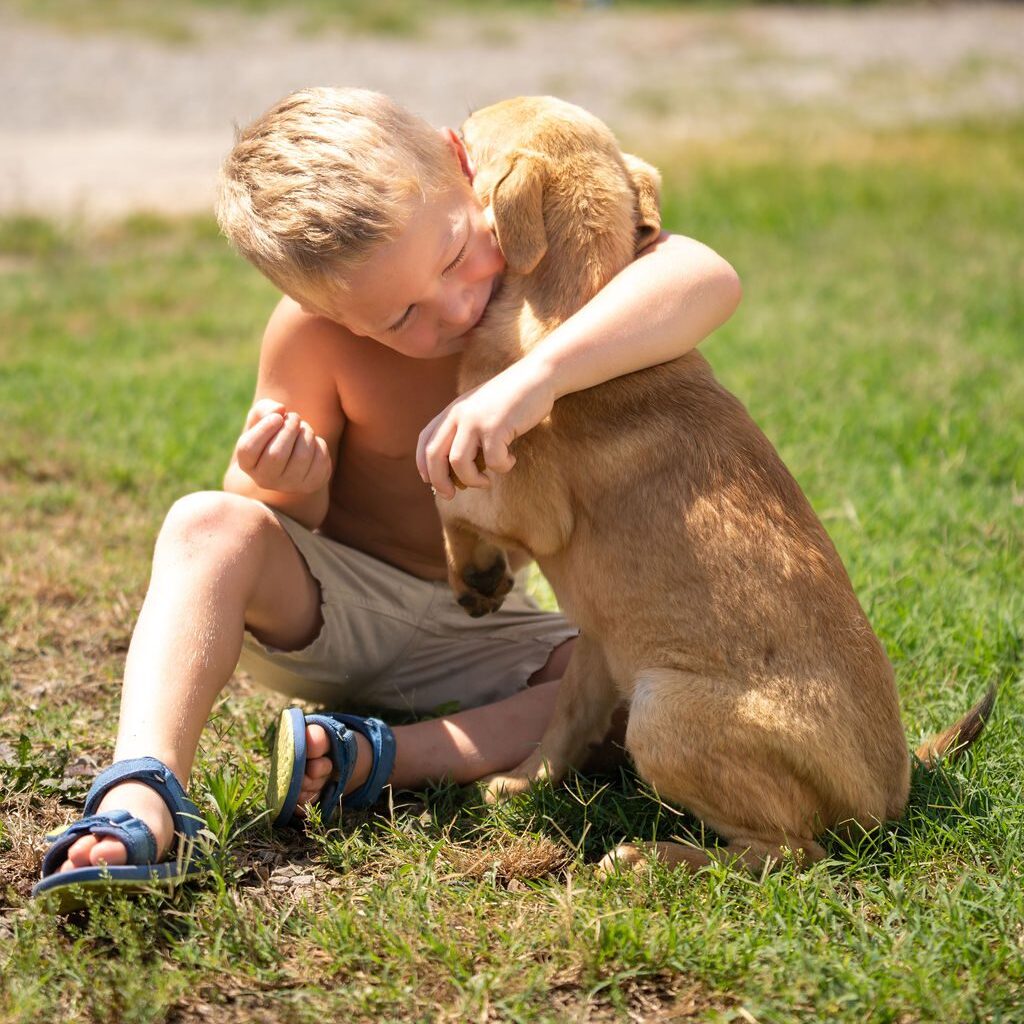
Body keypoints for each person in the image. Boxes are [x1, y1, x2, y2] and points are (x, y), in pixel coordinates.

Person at [35, 87, 741, 899]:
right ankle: (142, 787)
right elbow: (262, 519)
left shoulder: (541, 248)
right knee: (206, 522)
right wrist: (286, 487)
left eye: (450, 256)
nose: (453, 307)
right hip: (337, 604)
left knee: (621, 680)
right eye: (399, 315)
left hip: (482, 624)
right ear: (323, 309)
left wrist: (537, 378)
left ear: (460, 164)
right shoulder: (313, 335)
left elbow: (708, 278)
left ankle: (375, 757)